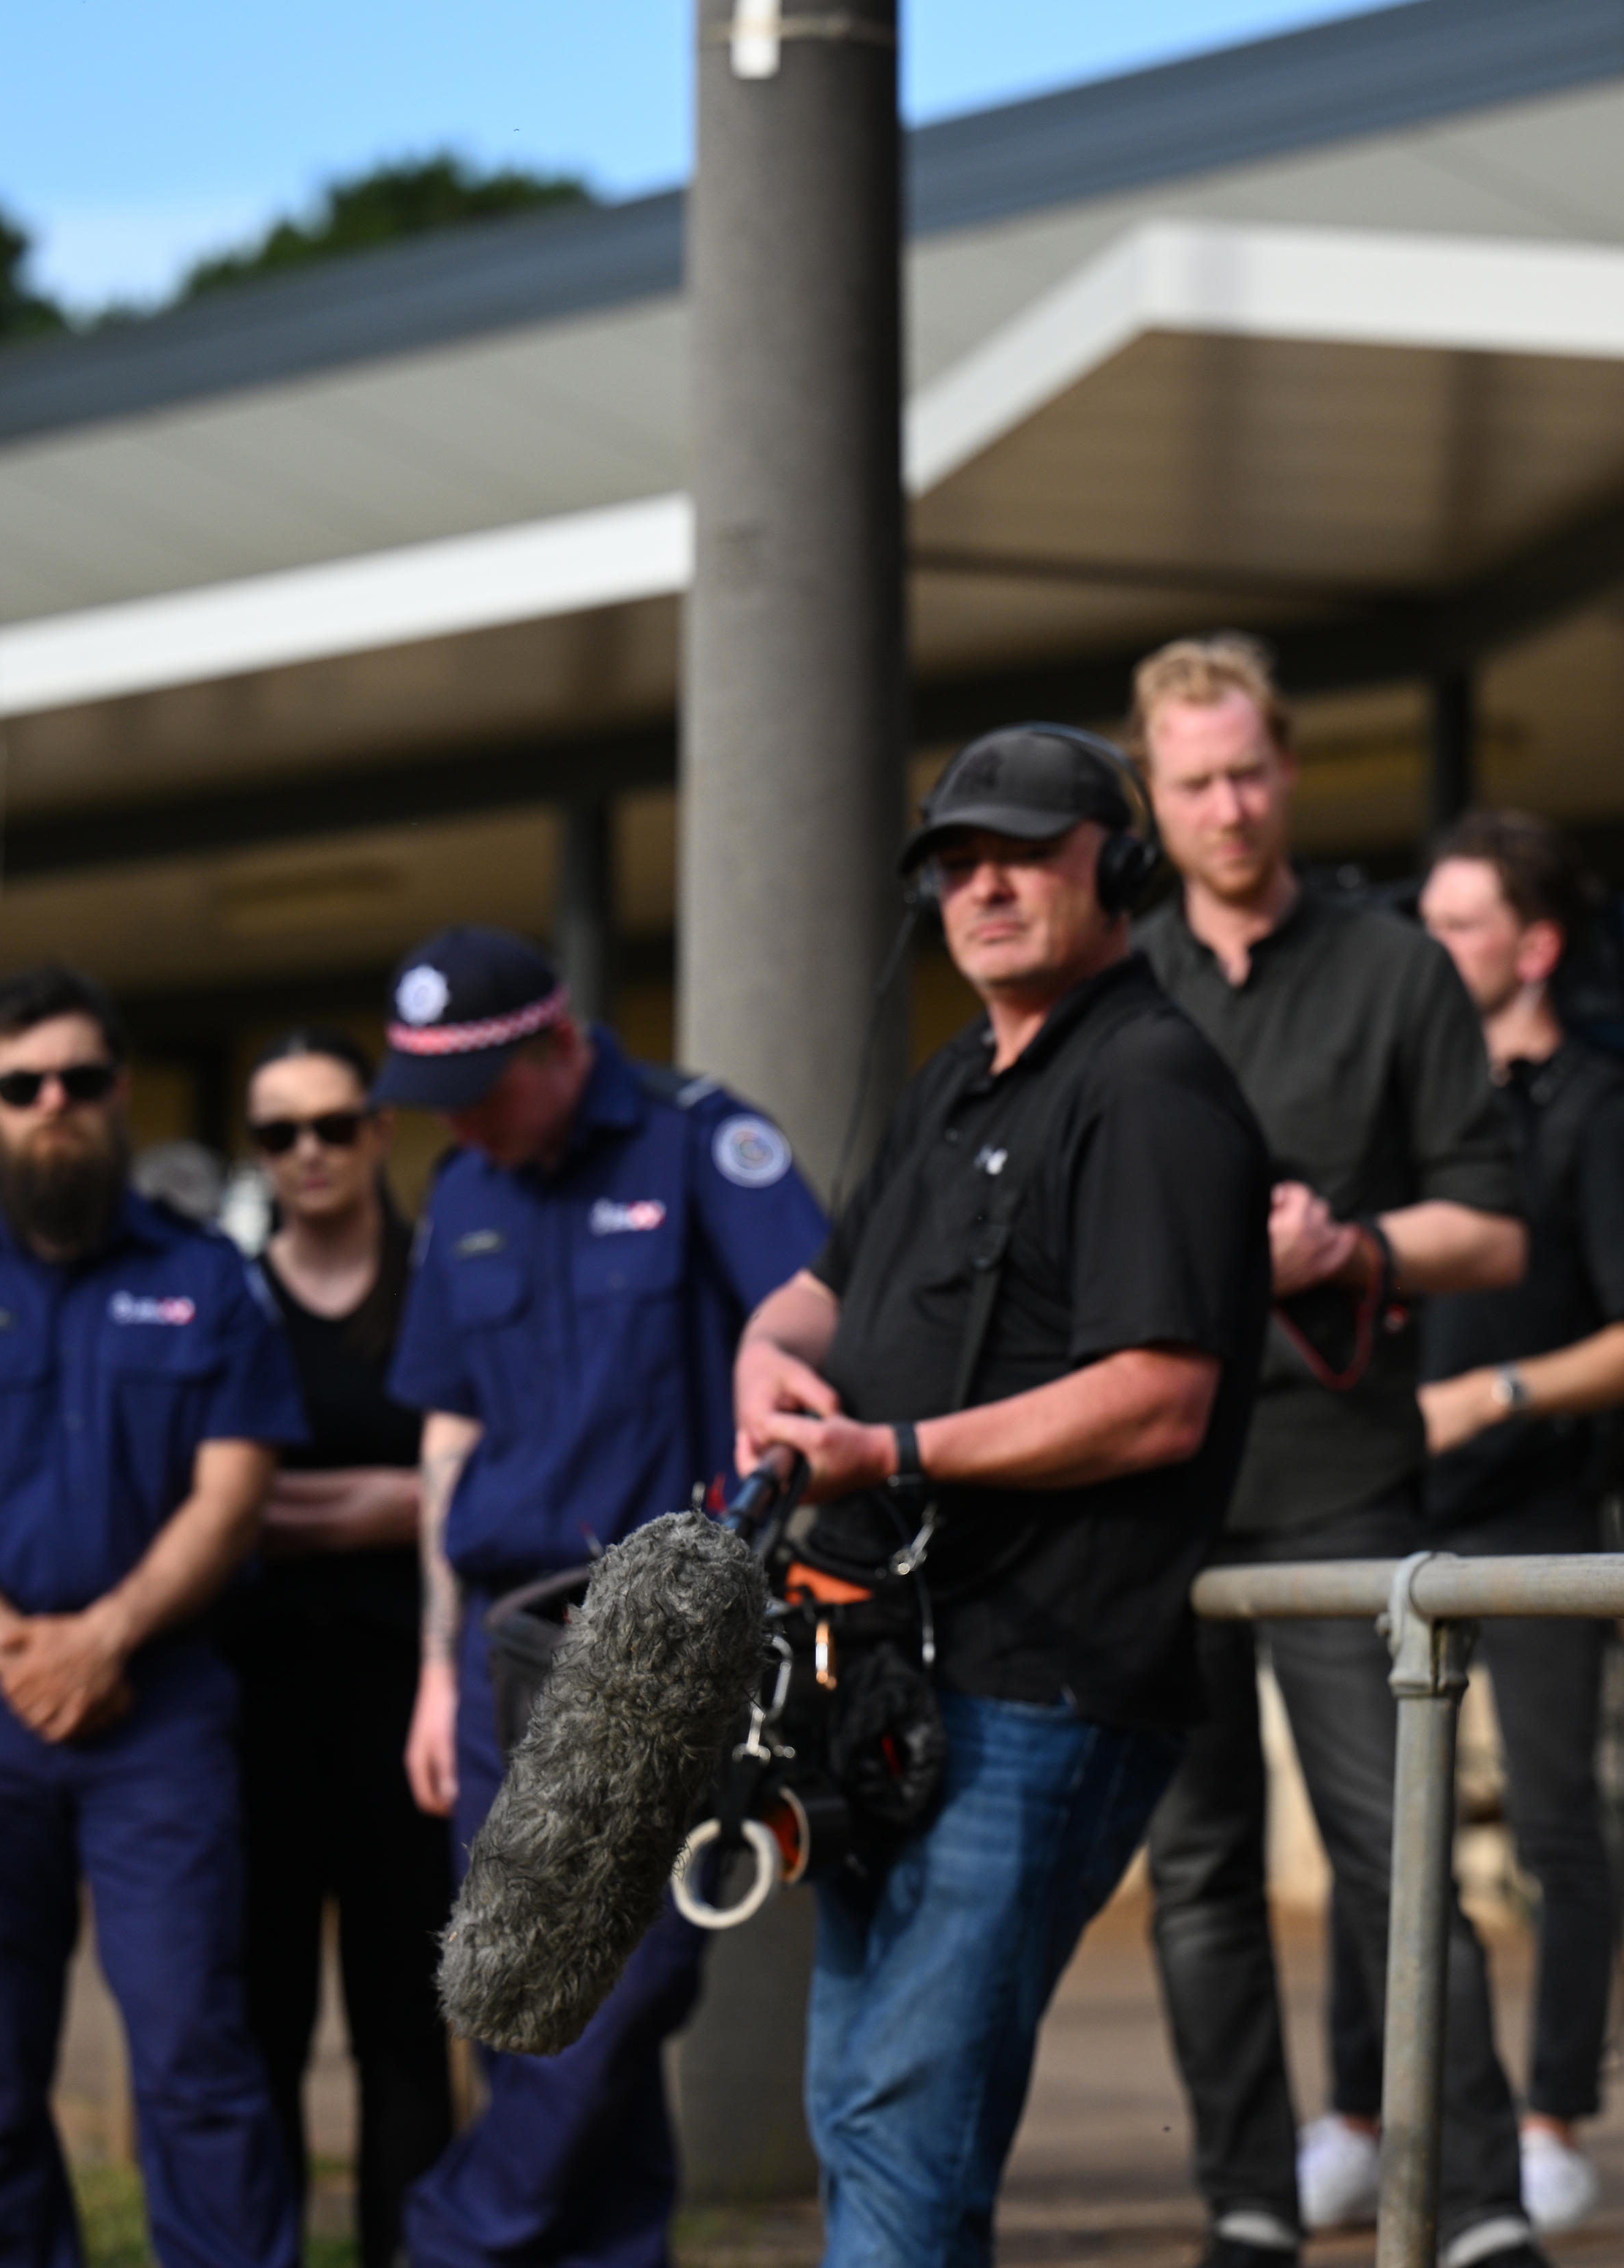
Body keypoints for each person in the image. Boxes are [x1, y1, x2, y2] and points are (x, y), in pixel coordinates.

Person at [731, 722, 1273, 2266]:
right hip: (892, 1669)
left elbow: (1159, 1399)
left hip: (1042, 1686)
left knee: (908, 2117)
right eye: (955, 864)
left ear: (1120, 867)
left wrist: (888, 1456)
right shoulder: (953, 1076)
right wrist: (762, 1365)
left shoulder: (1153, 1082)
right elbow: (815, 1296)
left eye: (1024, 854)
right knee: (856, 2100)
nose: (982, 888)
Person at [1124, 636, 1548, 2268]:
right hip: (1155, 1498)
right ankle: (1244, 2200)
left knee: (1400, 1855)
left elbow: (1492, 1233)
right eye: (1192, 783)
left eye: (1248, 771)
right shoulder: (1120, 981)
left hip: (1339, 1477)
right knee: (1198, 1869)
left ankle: (1482, 2208)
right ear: (1151, 802)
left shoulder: (1391, 970)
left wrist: (1344, 1247)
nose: (1228, 805)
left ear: (1287, 769)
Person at [0, 965, 306, 2268]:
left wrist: (107, 1635)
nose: (57, 1105)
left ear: (121, 1095)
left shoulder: (206, 1280)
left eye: (82, 1082)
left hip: (162, 1714)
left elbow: (235, 1490)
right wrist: (9, 1645)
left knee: (197, 2059)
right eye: (27, 1084)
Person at [374, 925, 826, 2268]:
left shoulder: (703, 1144)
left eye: (480, 1092)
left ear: (562, 1043)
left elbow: (808, 1332)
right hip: (498, 1633)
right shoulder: (462, 1189)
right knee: (520, 1992)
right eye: (437, 1104)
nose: (459, 1124)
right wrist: (435, 1665)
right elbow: (447, 1445)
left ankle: (452, 2240)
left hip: (654, 1633)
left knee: (610, 1980)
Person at [1384, 809, 1624, 2236]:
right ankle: (1361, 2117)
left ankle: (1550, 2121)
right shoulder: (1407, 1115)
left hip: (1543, 1519)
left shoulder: (1596, 1115)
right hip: (1402, 1519)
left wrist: (1493, 1392)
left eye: (1461, 924)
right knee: (1384, 1839)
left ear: (1534, 945)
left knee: (1560, 1835)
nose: (1435, 948)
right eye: (1428, 922)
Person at [220, 1031, 452, 2268]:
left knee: (403, 2025)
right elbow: (203, 1498)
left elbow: (492, 1472)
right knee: (257, 2020)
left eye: (332, 1124)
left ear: (379, 1130)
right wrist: (400, 1496)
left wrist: (317, 1506)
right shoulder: (229, 1297)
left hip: (406, 1701)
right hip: (250, 1704)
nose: (308, 1152)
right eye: (277, 1134)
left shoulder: (437, 1284)